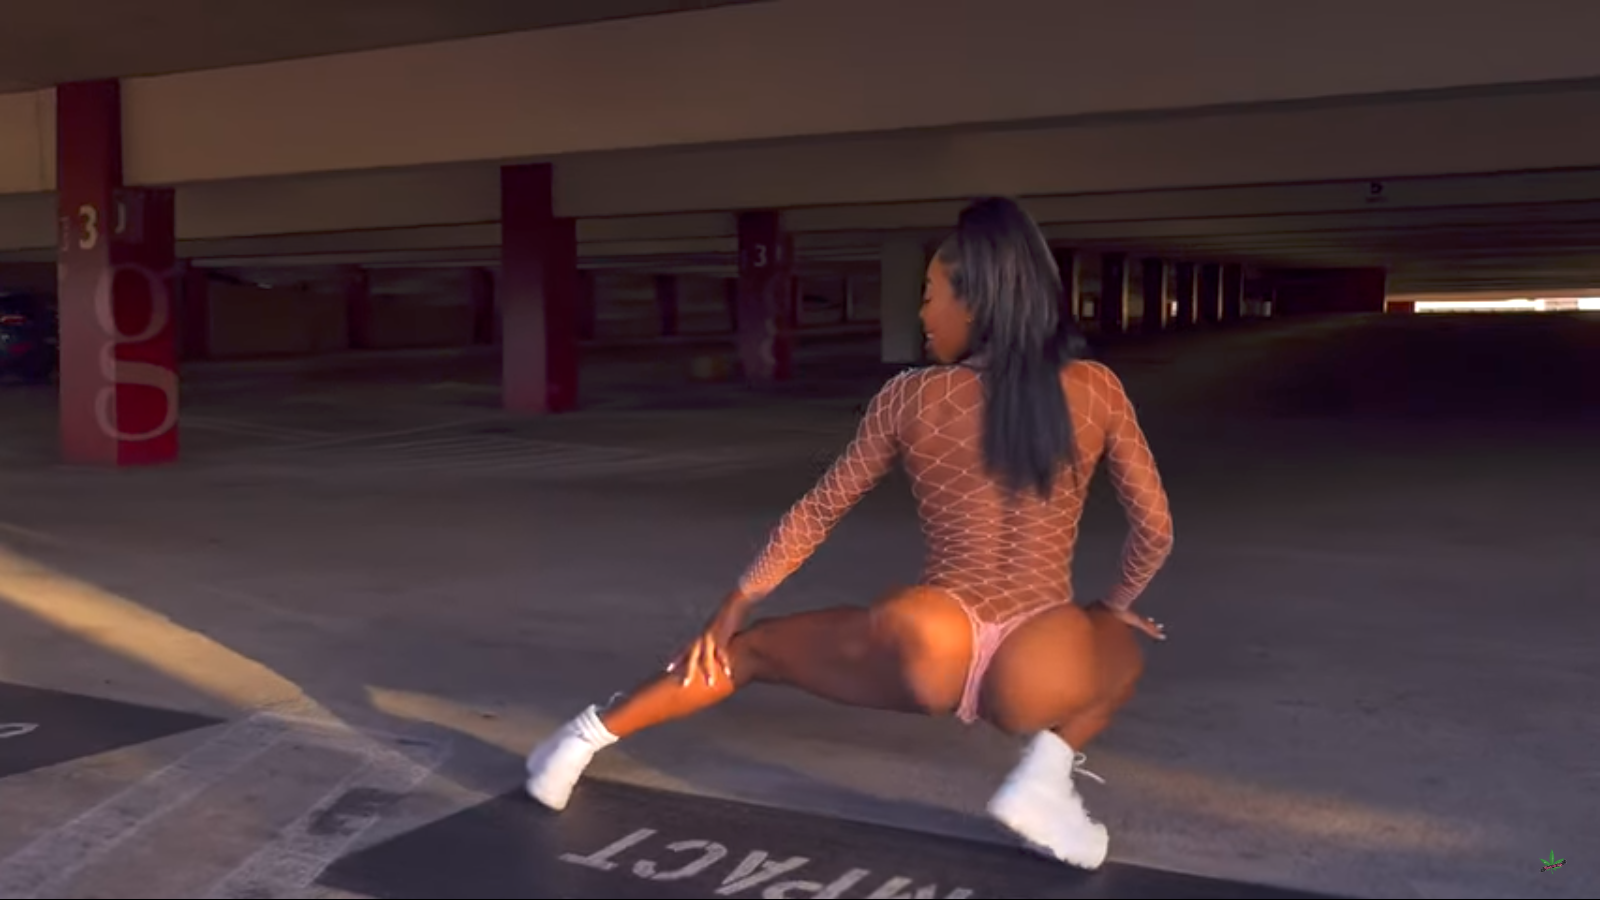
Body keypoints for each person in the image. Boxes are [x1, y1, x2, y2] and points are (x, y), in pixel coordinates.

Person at [523, 196, 1175, 870]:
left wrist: (735, 606)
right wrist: (1112, 608)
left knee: (751, 653)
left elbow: (819, 511)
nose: (921, 314)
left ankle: (573, 746)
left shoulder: (910, 397)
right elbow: (1154, 530)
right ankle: (1044, 779)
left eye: (930, 296)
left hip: (929, 639)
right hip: (1041, 661)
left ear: (974, 304)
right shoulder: (1095, 388)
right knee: (1121, 645)